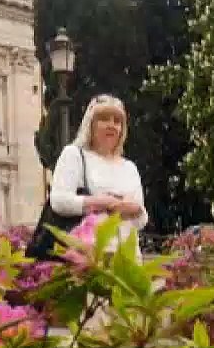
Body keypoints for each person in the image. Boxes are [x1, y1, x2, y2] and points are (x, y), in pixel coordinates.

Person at [48, 94, 148, 261]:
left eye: (117, 121)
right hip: (88, 258)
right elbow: (58, 201)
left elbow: (141, 221)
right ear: (90, 124)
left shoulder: (129, 167)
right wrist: (102, 202)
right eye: (104, 119)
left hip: (128, 260)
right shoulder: (74, 155)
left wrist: (134, 209)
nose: (112, 125)